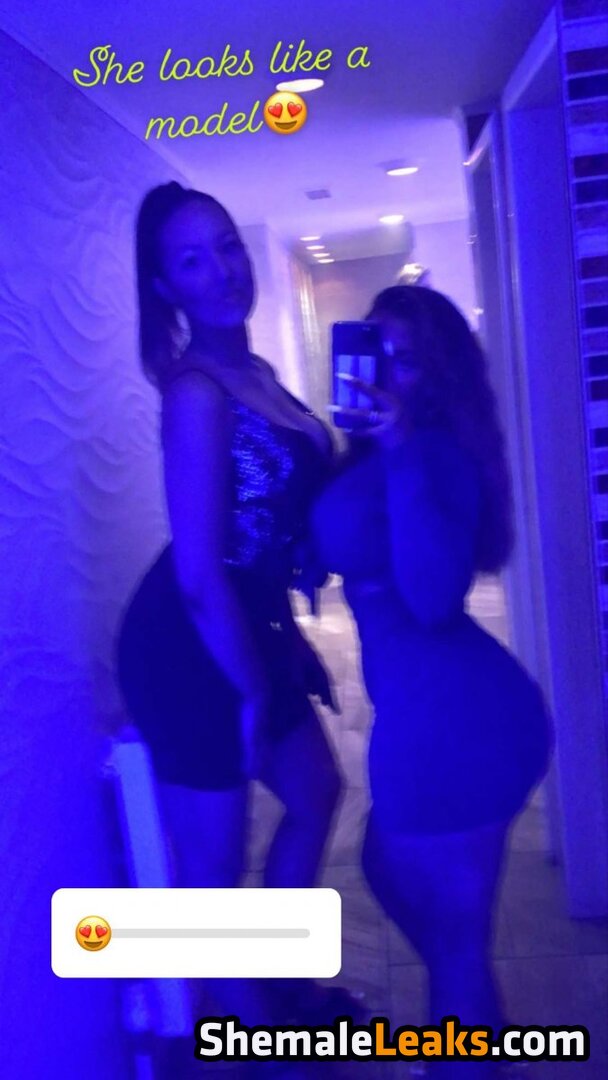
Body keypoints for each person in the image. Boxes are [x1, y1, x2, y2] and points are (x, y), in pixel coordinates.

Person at [115, 181, 346, 1044]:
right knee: (214, 864)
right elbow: (202, 573)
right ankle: (254, 1039)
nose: (221, 270)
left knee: (317, 791)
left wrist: (292, 631)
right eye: (191, 260)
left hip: (248, 625)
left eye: (226, 246)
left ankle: (278, 981)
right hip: (190, 645)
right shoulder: (196, 393)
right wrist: (252, 689)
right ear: (165, 287)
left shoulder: (260, 375)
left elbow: (265, 536)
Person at [311, 285, 552, 1077]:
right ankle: (481, 1037)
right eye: (377, 351)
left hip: (454, 732)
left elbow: (432, 596)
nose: (386, 373)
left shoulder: (434, 452)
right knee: (387, 871)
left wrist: (400, 442)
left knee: (454, 948)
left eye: (407, 360)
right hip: (440, 717)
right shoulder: (384, 455)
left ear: (440, 378)